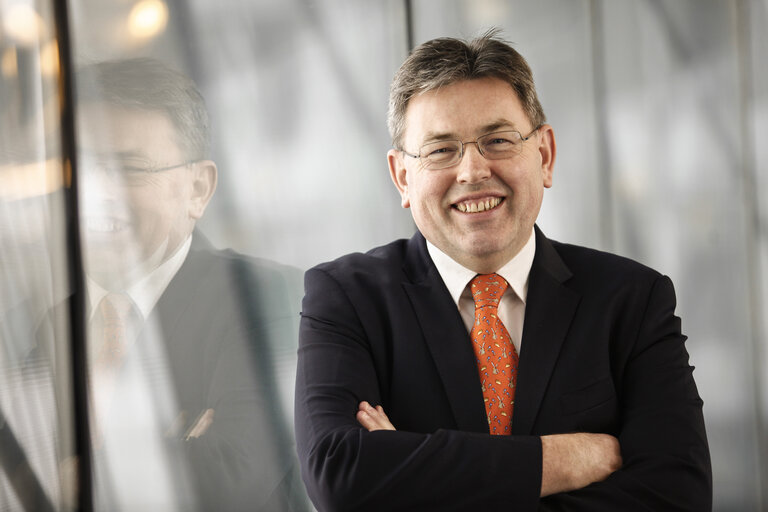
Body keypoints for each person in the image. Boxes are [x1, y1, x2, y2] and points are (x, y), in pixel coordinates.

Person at [294, 31, 712, 511]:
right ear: (402, 177)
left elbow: (679, 494)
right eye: (440, 149)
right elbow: (339, 475)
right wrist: (560, 460)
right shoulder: (346, 298)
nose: (472, 171)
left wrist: (412, 476)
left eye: (497, 140)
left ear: (545, 155)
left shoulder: (633, 299)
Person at [53, 58, 307, 511]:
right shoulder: (37, 327)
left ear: (198, 189)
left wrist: (68, 474)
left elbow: (236, 479)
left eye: (129, 170)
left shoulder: (264, 297)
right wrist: (168, 452)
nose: (99, 194)